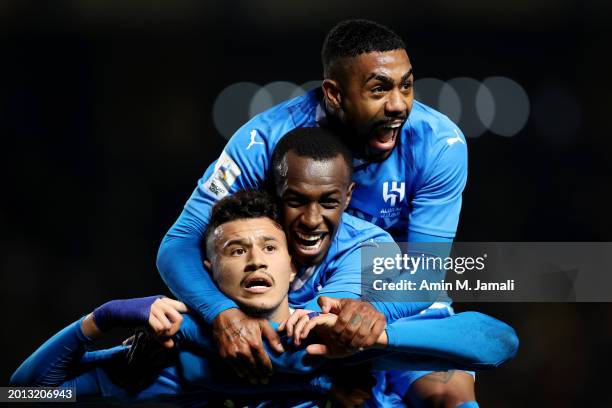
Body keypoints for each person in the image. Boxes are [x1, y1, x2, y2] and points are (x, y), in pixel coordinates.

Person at [157, 18, 472, 405]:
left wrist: (374, 311)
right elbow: (178, 244)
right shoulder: (264, 141)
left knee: (449, 397)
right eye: (378, 89)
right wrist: (223, 314)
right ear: (334, 94)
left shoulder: (439, 144)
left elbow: (426, 272)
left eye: (406, 85)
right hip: (298, 306)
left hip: (395, 295)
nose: (398, 105)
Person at [11, 190, 518, 407]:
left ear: (292, 265)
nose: (255, 259)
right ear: (209, 272)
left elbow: (497, 341)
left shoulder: (332, 340)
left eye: (269, 247)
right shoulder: (175, 358)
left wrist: (377, 334)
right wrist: (105, 317)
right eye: (236, 250)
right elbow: (26, 393)